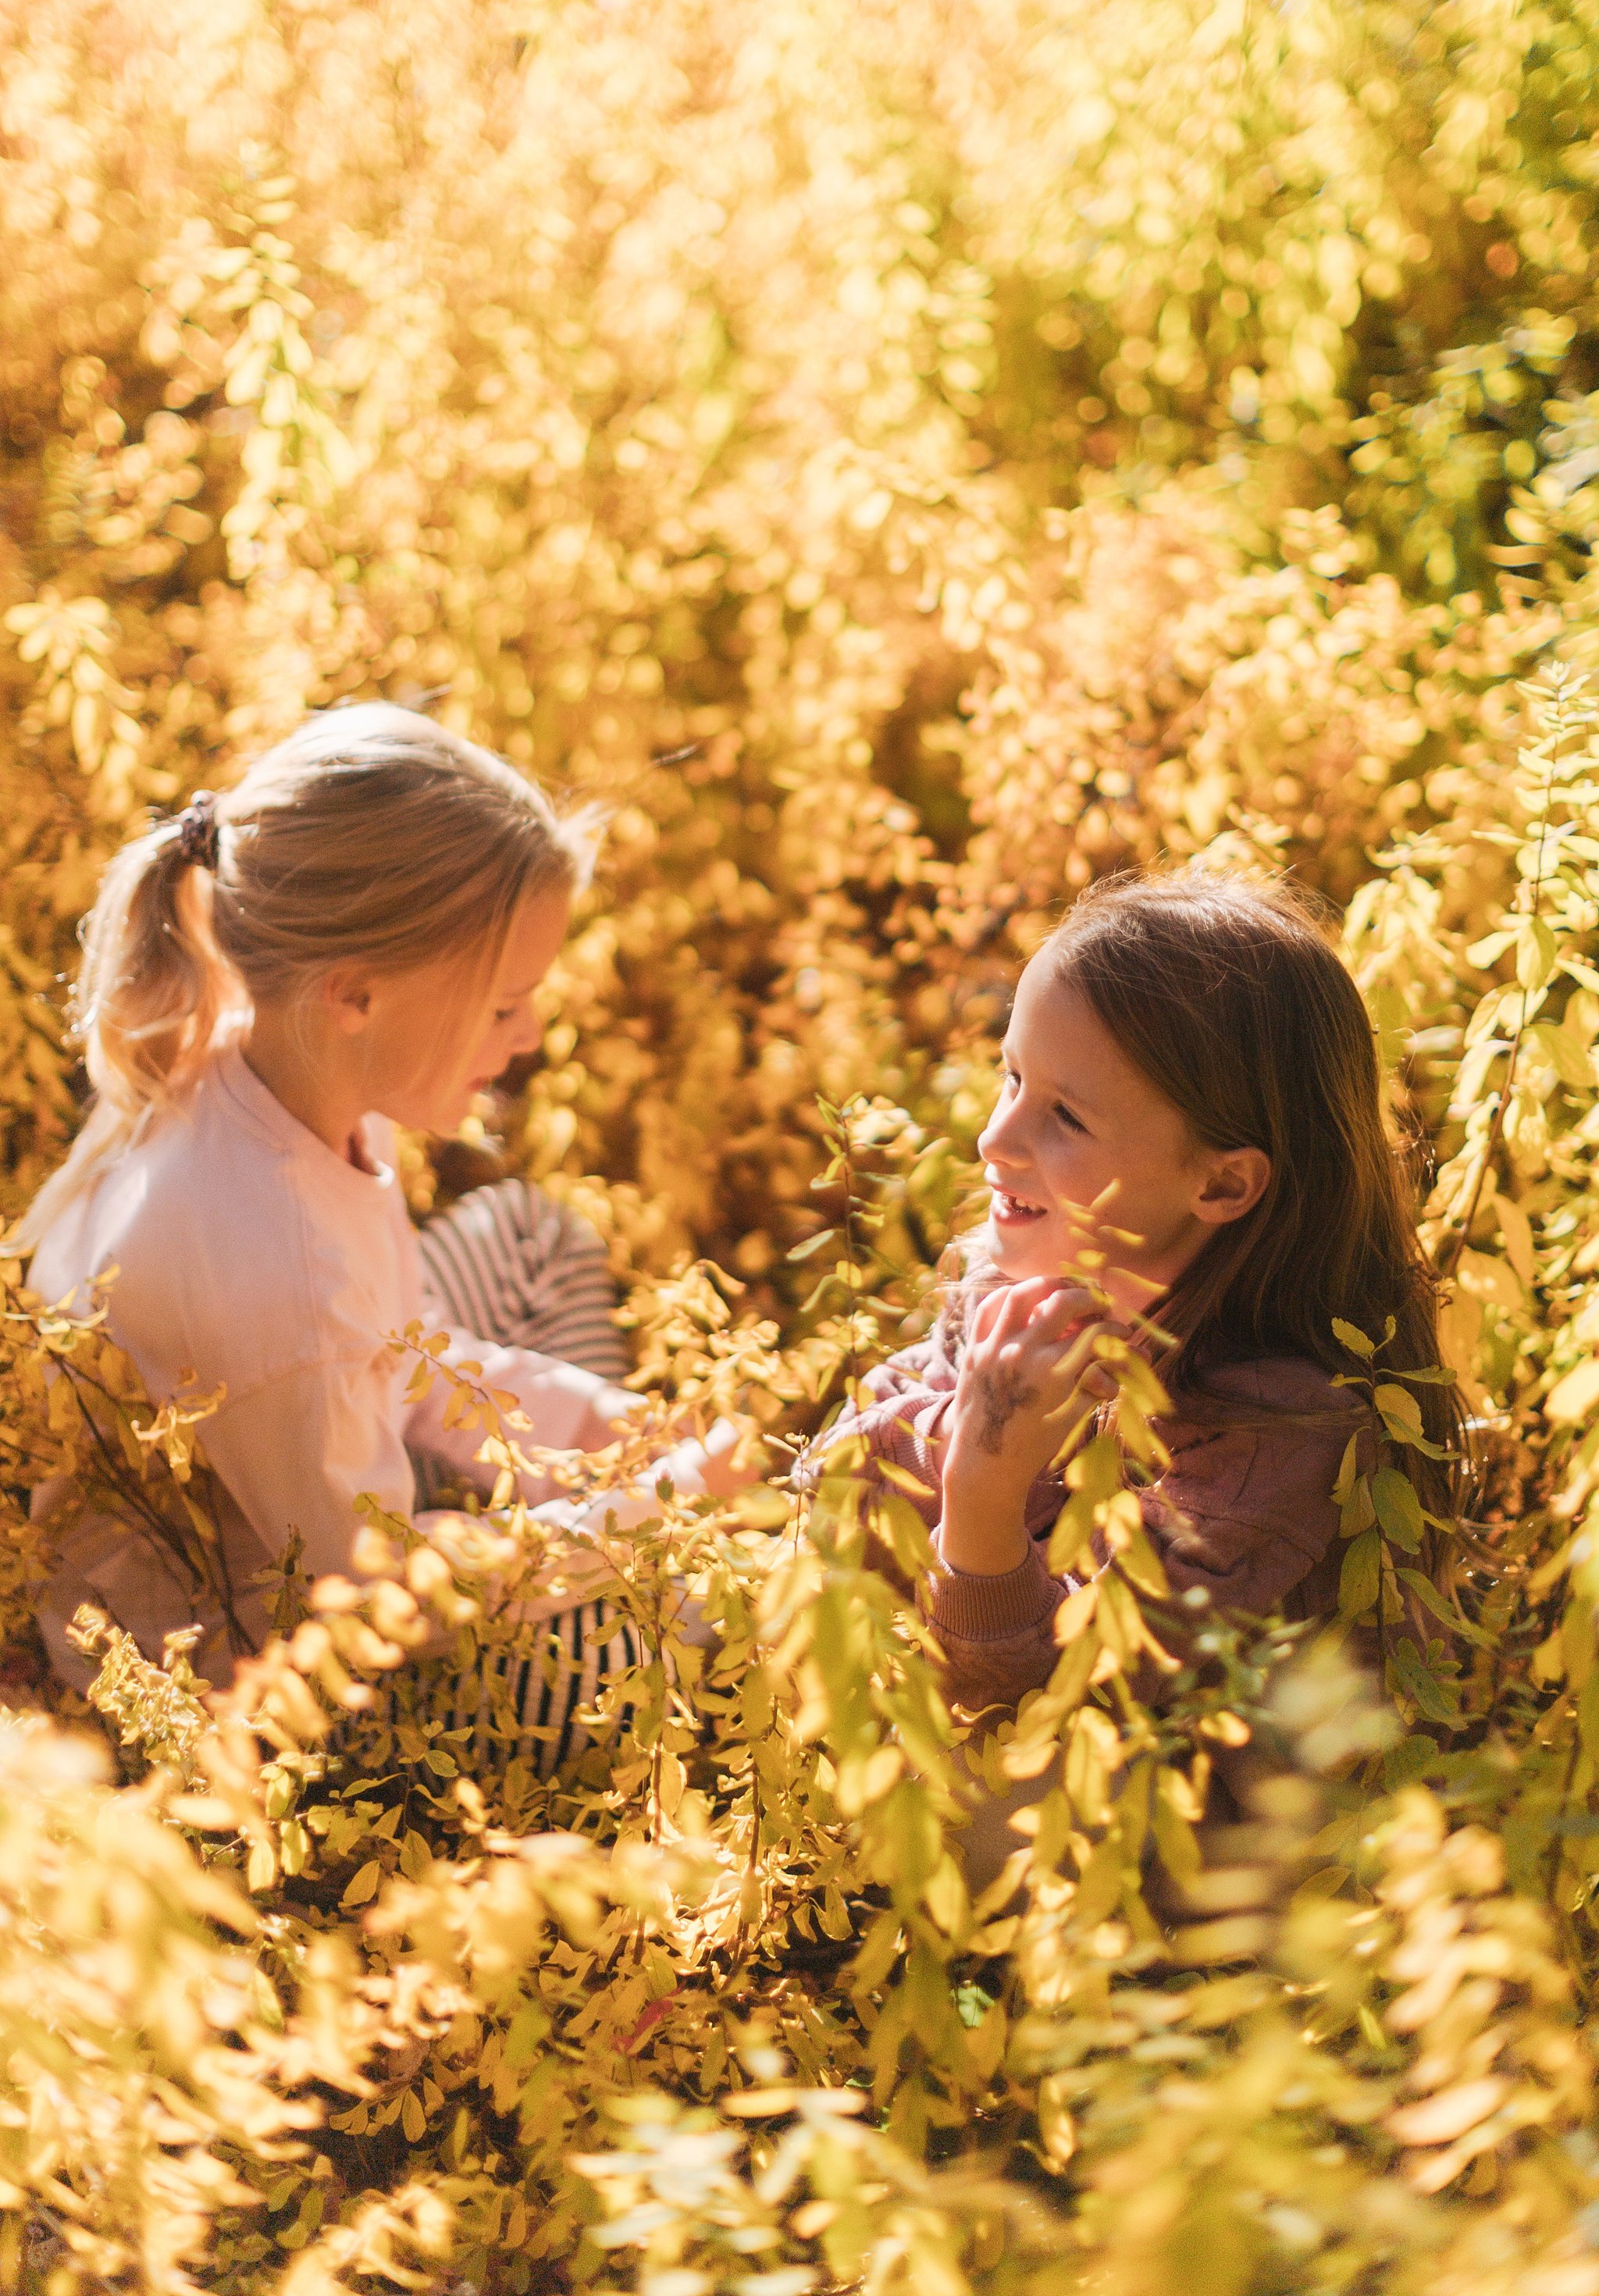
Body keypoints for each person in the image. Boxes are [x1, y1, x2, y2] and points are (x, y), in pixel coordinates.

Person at [20, 702, 734, 1753]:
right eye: (503, 1007)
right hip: (265, 1679)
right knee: (673, 1635)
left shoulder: (275, 1060)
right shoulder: (275, 1270)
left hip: (311, 1465)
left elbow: (394, 1347)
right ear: (353, 995)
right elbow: (380, 1599)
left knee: (530, 1234)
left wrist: (597, 1428)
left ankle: (559, 1492)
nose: (531, 1034)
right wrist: (663, 1503)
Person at [799, 867, 1464, 1720]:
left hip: (1186, 1828)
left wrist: (982, 1493)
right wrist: (970, 1431)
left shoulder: (1276, 1428)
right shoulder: (1015, 1284)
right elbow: (827, 1490)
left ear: (1222, 1185)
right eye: (1010, 1079)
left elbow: (1056, 1712)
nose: (993, 1137)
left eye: (1064, 1117)